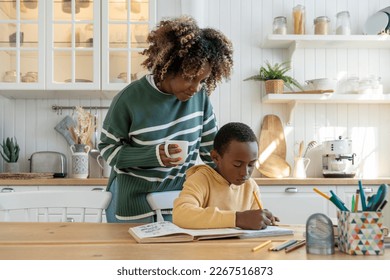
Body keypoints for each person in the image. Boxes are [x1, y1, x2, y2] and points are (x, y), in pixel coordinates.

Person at [98, 16, 234, 223]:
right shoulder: (129, 100)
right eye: (189, 77)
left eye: (202, 80)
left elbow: (211, 151)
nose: (196, 88)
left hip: (178, 200)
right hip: (133, 202)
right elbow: (108, 149)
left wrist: (233, 172)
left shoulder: (200, 99)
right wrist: (153, 155)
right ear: (167, 68)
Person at [173, 122, 279, 230]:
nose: (245, 173)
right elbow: (181, 214)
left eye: (251, 164)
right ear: (216, 157)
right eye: (237, 164)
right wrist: (238, 219)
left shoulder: (251, 186)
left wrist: (262, 220)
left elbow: (254, 221)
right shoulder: (201, 179)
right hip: (206, 247)